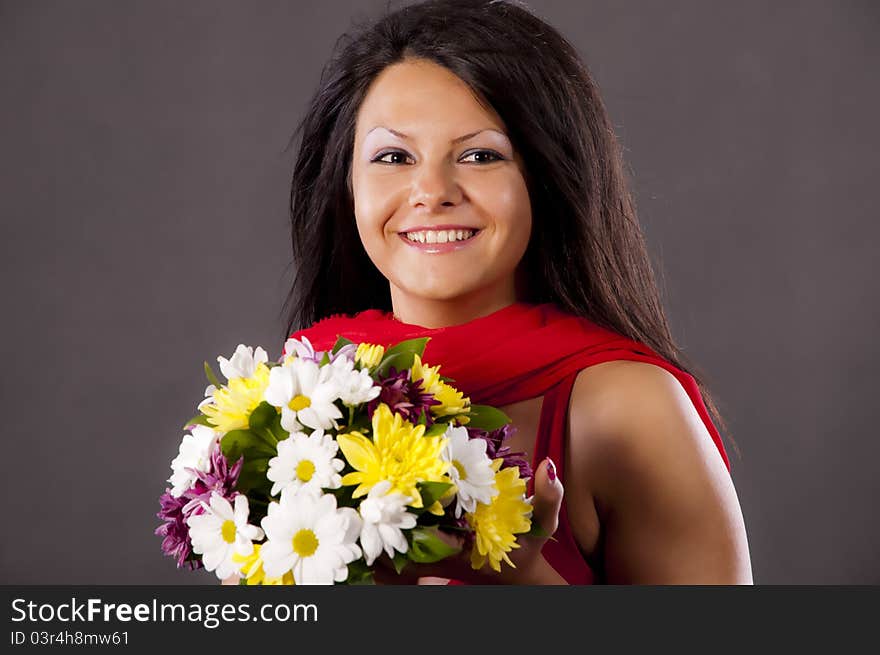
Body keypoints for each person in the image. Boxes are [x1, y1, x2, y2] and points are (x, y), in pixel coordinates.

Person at [230, 0, 753, 585]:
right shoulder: (301, 398)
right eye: (393, 157)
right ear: (345, 184)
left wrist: (526, 586)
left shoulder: (628, 408)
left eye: (480, 155)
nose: (431, 190)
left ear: (547, 178)